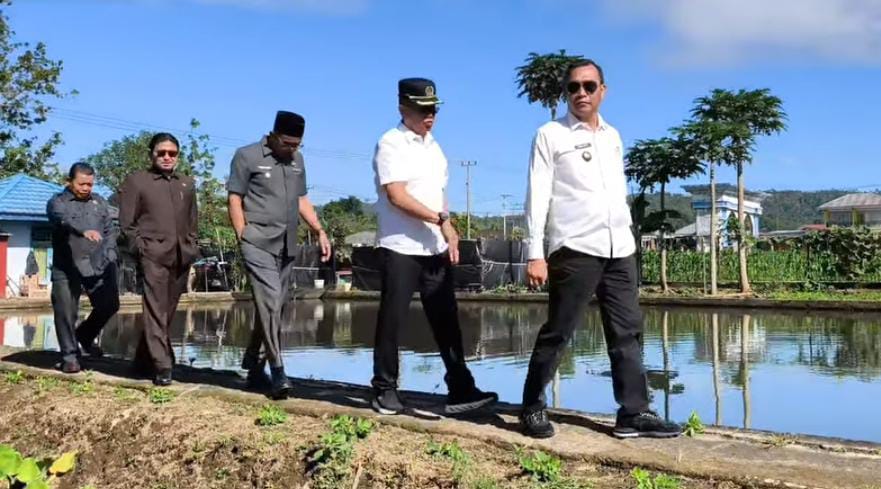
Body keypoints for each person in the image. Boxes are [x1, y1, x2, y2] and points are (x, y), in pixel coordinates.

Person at [520, 60, 682, 439]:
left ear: (602, 91)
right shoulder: (550, 135)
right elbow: (537, 195)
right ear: (566, 93)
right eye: (574, 87)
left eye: (589, 86)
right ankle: (532, 406)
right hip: (575, 247)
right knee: (559, 330)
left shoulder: (612, 136)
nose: (581, 93)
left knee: (627, 332)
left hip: (619, 248)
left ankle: (633, 412)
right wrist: (535, 252)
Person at [370, 77, 497, 415]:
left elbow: (439, 196)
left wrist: (447, 227)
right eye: (422, 109)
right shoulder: (391, 143)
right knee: (392, 319)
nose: (430, 116)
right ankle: (384, 389)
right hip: (400, 246)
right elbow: (397, 196)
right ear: (403, 108)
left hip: (433, 247)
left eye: (434, 110)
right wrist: (439, 219)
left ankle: (461, 387)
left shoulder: (435, 148)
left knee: (446, 319)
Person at [227, 111, 330, 400]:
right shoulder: (247, 156)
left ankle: (254, 362)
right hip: (257, 241)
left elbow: (301, 199)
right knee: (271, 301)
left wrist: (319, 230)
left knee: (276, 306)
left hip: (287, 244)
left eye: (297, 145)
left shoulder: (298, 161)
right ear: (273, 136)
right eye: (287, 143)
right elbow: (234, 197)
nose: (292, 149)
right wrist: (242, 235)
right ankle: (279, 371)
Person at [119, 133, 199, 386]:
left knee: (167, 311)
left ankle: (143, 360)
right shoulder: (137, 181)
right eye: (161, 153)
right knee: (155, 308)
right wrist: (141, 249)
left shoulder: (186, 183)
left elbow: (193, 220)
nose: (166, 157)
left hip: (181, 255)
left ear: (178, 156)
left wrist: (192, 246)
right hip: (152, 254)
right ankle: (163, 365)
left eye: (172, 153)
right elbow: (127, 224)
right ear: (151, 154)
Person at [47, 162, 120, 373]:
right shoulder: (57, 202)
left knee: (109, 304)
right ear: (69, 182)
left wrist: (111, 252)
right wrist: (82, 231)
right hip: (67, 266)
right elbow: (62, 220)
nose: (86, 188)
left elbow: (109, 230)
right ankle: (70, 356)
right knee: (66, 312)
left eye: (90, 184)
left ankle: (85, 335)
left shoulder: (99, 202)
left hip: (97, 263)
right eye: (82, 184)